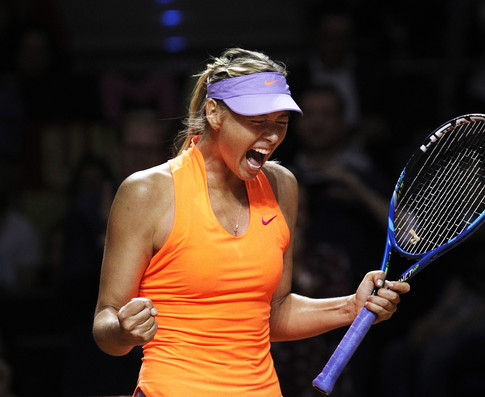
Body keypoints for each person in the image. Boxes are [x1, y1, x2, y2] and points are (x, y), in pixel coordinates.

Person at [92, 48, 410, 396]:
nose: (272, 136)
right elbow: (106, 324)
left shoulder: (281, 185)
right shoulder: (147, 192)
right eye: (258, 122)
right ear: (214, 113)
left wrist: (351, 306)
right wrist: (123, 330)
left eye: (281, 124)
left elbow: (272, 312)